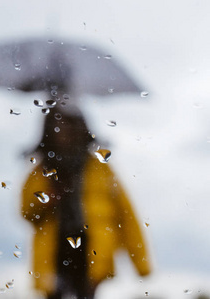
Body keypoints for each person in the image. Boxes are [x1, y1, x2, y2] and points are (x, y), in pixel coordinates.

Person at [21, 105, 151, 299]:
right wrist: (48, 200)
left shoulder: (101, 170)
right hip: (53, 250)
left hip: (94, 249)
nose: (66, 133)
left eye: (70, 126)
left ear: (82, 129)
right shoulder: (41, 171)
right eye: (59, 127)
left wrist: (141, 264)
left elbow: (126, 215)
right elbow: (26, 211)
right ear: (49, 133)